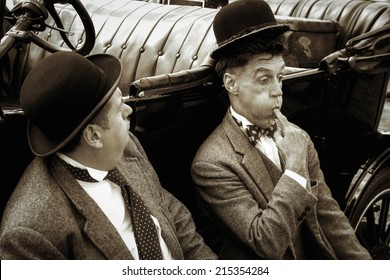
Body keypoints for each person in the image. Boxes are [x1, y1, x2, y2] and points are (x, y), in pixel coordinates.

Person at [191, 0, 371, 260]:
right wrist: (295, 169)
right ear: (231, 83)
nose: (277, 91)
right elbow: (266, 245)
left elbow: (329, 217)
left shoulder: (297, 136)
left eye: (280, 77)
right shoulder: (212, 163)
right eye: (264, 79)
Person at [0, 51, 217, 260]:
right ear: (94, 136)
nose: (129, 111)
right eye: (119, 108)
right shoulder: (30, 232)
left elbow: (170, 211)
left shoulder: (127, 145)